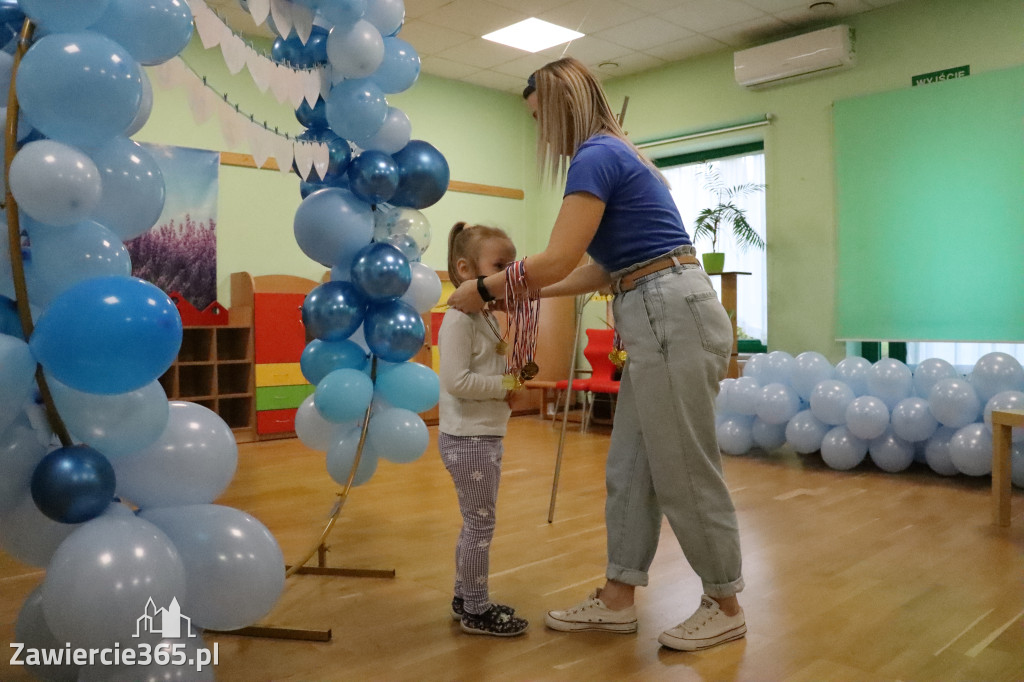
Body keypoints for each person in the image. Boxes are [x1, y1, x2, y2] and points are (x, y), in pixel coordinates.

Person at [447, 57, 746, 652]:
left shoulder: (596, 156)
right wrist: (525, 289)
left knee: (684, 468)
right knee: (630, 468)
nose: (542, 133)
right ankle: (617, 598)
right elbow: (597, 269)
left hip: (668, 313)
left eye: (540, 118)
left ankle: (725, 600)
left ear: (561, 106)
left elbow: (555, 259)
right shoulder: (620, 154)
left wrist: (481, 290)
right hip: (657, 307)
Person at [437, 221, 529, 637]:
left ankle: (464, 596)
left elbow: (484, 369)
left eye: (512, 266)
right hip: (468, 439)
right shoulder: (459, 320)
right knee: (480, 526)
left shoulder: (485, 317)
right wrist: (506, 385)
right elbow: (457, 382)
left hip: (483, 435)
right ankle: (476, 608)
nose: (508, 274)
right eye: (499, 265)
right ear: (464, 270)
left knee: (475, 522)